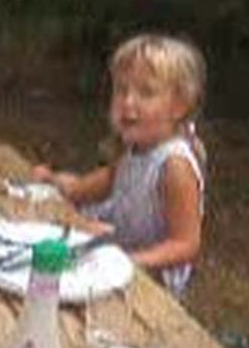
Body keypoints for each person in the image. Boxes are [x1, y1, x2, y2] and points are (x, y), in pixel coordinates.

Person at [34, 33, 207, 299]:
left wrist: (127, 261)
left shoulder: (175, 166)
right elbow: (95, 185)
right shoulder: (134, 149)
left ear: (179, 107)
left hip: (150, 283)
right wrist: (56, 182)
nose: (128, 102)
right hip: (115, 255)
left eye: (146, 92)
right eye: (121, 90)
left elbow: (185, 244)